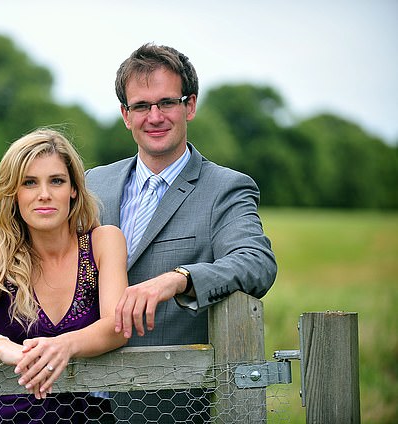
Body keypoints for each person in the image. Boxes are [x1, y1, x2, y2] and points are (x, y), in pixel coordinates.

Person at [85, 43, 277, 422]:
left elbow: (257, 262)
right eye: (141, 106)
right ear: (126, 115)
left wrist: (178, 279)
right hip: (78, 396)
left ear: (189, 105)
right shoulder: (95, 182)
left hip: (168, 403)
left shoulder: (225, 188)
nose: (154, 116)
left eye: (166, 103)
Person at [0, 128, 128, 423]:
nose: (44, 195)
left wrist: (64, 346)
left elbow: (116, 328)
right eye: (29, 183)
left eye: (56, 181)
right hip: (1, 414)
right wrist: (8, 350)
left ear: (74, 189)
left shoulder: (103, 242)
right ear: (14, 193)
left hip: (83, 416)